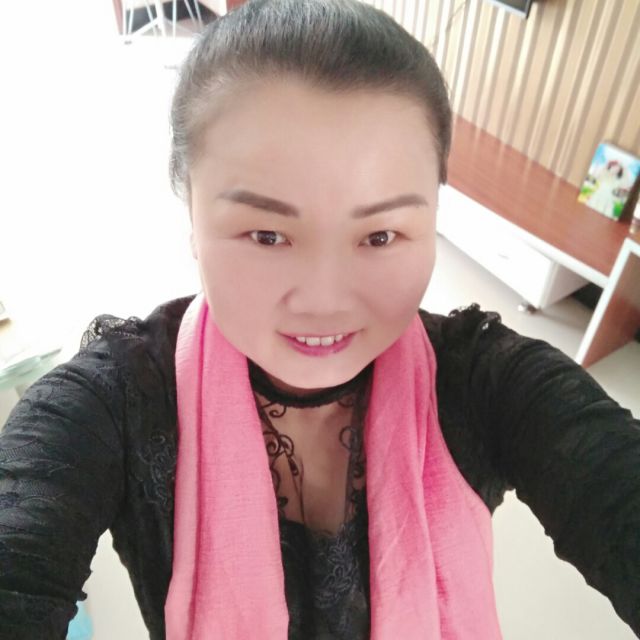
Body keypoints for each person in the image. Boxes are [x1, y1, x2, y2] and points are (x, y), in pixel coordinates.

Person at [1, 1, 639, 638]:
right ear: (191, 212)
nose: (324, 301)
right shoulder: (117, 399)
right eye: (267, 235)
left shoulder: (485, 383)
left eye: (380, 236)